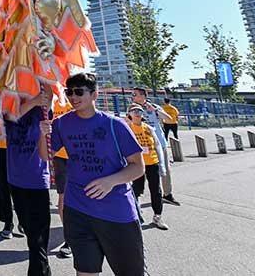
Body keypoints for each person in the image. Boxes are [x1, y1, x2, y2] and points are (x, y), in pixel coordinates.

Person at [51, 73, 146, 276]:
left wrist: (110, 181)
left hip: (116, 212)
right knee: (85, 272)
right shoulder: (60, 124)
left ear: (94, 94)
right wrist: (42, 134)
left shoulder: (115, 125)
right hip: (77, 210)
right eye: (69, 92)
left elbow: (138, 167)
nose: (73, 97)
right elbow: (45, 155)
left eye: (79, 92)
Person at [4, 83, 53, 276]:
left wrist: (39, 75)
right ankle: (43, 270)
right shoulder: (10, 109)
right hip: (15, 180)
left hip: (36, 179)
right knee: (30, 232)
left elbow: (48, 91)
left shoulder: (41, 111)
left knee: (37, 237)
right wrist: (32, 101)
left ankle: (39, 272)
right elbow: (9, 116)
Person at [131, 88, 180, 206]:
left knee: (165, 169)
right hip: (141, 145)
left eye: (135, 94)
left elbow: (169, 119)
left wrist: (155, 110)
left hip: (159, 143)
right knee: (140, 172)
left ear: (143, 96)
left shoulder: (154, 106)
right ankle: (137, 198)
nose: (133, 96)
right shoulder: (132, 109)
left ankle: (167, 194)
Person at [127, 104, 169, 230]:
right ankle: (135, 215)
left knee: (156, 190)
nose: (137, 113)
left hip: (152, 162)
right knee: (137, 190)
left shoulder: (149, 128)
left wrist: (162, 165)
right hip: (137, 164)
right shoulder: (127, 128)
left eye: (140, 111)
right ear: (129, 114)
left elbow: (157, 145)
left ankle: (157, 216)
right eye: (134, 111)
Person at [50, 100, 74, 259]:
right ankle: (69, 238)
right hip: (59, 156)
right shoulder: (48, 101)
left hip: (78, 153)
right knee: (63, 197)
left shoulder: (75, 97)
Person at [0, 129, 18, 239]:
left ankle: (23, 219)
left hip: (19, 145)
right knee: (3, 186)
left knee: (20, 186)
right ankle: (8, 222)